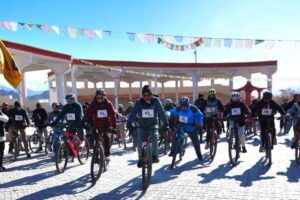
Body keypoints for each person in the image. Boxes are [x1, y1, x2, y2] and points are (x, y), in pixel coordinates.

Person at [127, 85, 169, 168]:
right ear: (142, 95)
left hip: (153, 125)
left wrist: (166, 123)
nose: (146, 97)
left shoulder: (156, 101)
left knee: (154, 138)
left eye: (148, 95)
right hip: (142, 126)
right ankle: (140, 158)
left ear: (151, 95)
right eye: (144, 95)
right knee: (140, 141)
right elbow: (134, 113)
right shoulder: (139, 102)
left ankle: (155, 156)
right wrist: (129, 123)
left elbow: (161, 112)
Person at [83, 89, 116, 160]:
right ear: (95, 97)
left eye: (101, 97)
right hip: (96, 125)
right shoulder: (93, 104)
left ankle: (107, 154)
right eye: (98, 97)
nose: (100, 99)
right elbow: (88, 113)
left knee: (106, 137)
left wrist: (114, 127)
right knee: (96, 139)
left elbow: (113, 116)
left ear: (104, 97)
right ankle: (96, 154)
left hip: (106, 124)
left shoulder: (108, 104)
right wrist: (83, 122)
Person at [170, 96, 204, 161]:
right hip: (182, 126)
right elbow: (172, 112)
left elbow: (200, 115)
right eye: (182, 105)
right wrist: (168, 114)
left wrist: (199, 123)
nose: (183, 107)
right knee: (174, 136)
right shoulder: (179, 108)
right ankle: (173, 151)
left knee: (195, 142)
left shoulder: (193, 108)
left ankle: (199, 154)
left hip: (191, 126)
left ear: (187, 104)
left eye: (184, 105)